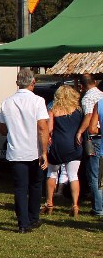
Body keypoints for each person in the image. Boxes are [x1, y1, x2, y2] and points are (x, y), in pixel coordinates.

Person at [0, 68, 49, 233]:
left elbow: (2, 129)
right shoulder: (38, 101)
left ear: (17, 83)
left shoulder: (7, 102)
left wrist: (14, 130)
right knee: (35, 185)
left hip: (16, 150)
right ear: (33, 82)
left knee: (20, 188)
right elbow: (42, 127)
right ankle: (33, 217)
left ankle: (23, 223)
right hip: (33, 150)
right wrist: (44, 152)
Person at [44, 85, 83, 216]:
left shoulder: (53, 110)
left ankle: (49, 202)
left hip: (58, 145)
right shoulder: (78, 110)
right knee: (73, 175)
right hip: (74, 145)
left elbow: (49, 129)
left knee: (52, 173)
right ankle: (75, 205)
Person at [75, 74, 103, 216]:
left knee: (93, 173)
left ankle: (98, 207)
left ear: (82, 85)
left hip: (93, 138)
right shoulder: (100, 94)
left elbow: (88, 117)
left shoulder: (87, 98)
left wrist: (79, 132)